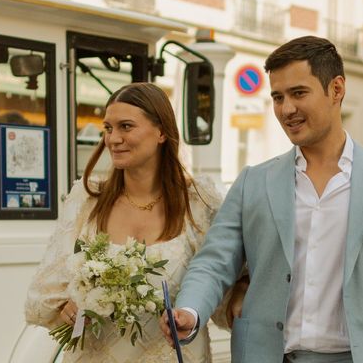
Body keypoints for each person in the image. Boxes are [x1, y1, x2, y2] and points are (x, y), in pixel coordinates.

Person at [161, 36, 363, 363]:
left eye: (298, 93)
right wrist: (189, 310)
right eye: (277, 97)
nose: (286, 109)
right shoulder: (254, 182)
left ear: (336, 89)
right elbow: (214, 261)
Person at [26, 82, 239, 362]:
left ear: (161, 131)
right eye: (108, 128)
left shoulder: (198, 202)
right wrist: (68, 307)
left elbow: (224, 292)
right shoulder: (88, 198)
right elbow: (43, 294)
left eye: (126, 126)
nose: (113, 139)